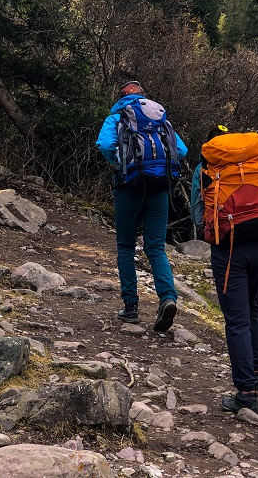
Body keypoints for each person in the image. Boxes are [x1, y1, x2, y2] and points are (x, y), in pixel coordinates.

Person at [191, 126, 258, 414]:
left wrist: (205, 228)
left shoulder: (207, 170)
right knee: (254, 308)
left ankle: (246, 391)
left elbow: (197, 214)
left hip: (230, 249)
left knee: (236, 320)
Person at [97, 80, 188, 332]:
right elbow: (181, 150)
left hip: (128, 187)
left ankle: (131, 308)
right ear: (144, 97)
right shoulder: (161, 119)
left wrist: (120, 164)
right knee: (156, 247)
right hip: (159, 188)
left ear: (121, 96)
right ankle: (167, 298)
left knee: (125, 246)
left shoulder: (116, 117)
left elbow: (105, 145)